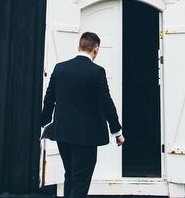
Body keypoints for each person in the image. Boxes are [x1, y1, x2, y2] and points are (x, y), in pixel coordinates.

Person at [41, 31, 124, 198]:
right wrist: (117, 132)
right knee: (80, 181)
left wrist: (44, 123)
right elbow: (106, 103)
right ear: (96, 49)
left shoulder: (60, 68)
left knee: (70, 175)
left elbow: (49, 99)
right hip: (86, 137)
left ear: (79, 46)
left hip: (62, 133)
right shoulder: (97, 72)